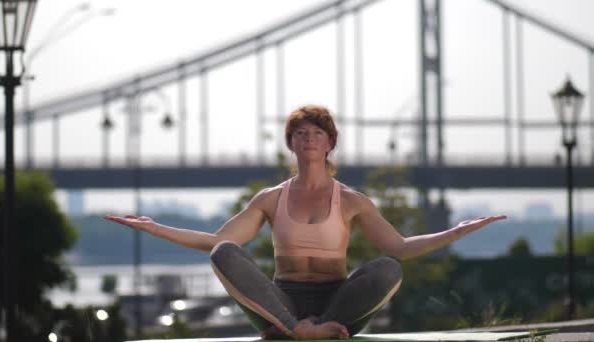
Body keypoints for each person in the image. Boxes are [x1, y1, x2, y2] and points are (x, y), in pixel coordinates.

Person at [105, 105, 506, 340]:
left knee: (388, 268)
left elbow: (398, 247)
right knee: (225, 252)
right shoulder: (270, 198)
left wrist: (456, 232)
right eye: (299, 133)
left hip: (338, 304)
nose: (308, 138)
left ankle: (306, 331)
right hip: (280, 303)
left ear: (330, 142)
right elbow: (217, 241)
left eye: (316, 132)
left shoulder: (351, 200)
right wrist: (154, 227)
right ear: (291, 143)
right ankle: (299, 329)